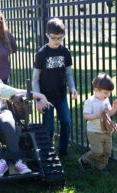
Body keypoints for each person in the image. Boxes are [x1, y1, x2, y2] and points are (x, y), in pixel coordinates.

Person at [32, 17, 78, 156]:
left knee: (66, 122)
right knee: (49, 127)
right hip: (46, 98)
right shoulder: (41, 54)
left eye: (60, 38)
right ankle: (48, 152)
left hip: (61, 95)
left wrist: (72, 88)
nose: (57, 41)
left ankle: (63, 151)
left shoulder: (65, 52)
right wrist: (39, 99)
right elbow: (35, 79)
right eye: (53, 38)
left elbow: (68, 73)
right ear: (47, 35)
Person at [79, 73, 117, 172]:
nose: (108, 95)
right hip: (94, 131)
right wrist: (96, 116)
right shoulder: (90, 101)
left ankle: (101, 167)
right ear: (96, 90)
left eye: (109, 93)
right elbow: (85, 116)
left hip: (106, 130)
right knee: (97, 151)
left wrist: (114, 107)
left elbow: (109, 113)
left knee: (106, 151)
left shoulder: (105, 100)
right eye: (106, 92)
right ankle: (84, 160)